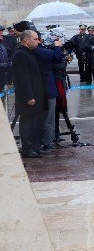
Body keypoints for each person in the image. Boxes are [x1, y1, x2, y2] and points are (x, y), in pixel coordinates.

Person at [12, 30, 46, 158]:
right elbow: (22, 78)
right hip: (28, 97)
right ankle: (27, 148)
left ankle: (36, 147)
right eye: (35, 39)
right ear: (26, 40)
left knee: (36, 122)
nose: (38, 41)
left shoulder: (31, 53)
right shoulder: (20, 54)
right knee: (27, 123)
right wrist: (29, 96)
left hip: (37, 95)